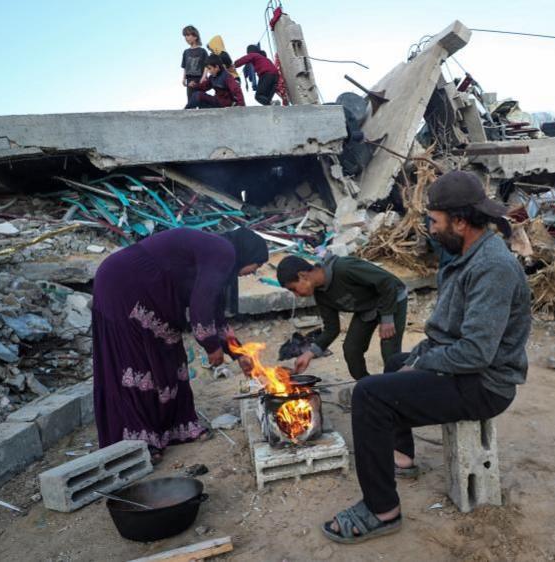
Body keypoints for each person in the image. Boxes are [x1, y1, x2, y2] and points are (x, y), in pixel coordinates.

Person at [320, 170, 531, 544]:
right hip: (467, 372)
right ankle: (402, 455)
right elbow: (445, 332)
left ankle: (381, 510)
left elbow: (476, 353)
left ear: (461, 221)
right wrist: (418, 356)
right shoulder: (465, 253)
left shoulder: (493, 268)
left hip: (486, 385)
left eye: (435, 221)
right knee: (395, 363)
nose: (431, 229)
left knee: (370, 394)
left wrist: (425, 362)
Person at [91, 227, 266, 462]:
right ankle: (138, 443)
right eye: (257, 266)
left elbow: (216, 314)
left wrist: (240, 354)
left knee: (167, 355)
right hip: (123, 284)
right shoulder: (223, 252)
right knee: (135, 361)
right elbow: (200, 308)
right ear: (249, 255)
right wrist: (211, 346)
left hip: (148, 288)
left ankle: (174, 428)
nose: (253, 273)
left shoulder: (220, 253)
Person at [276, 255, 407, 381]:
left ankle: (395, 391)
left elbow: (387, 282)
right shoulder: (321, 294)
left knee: (390, 352)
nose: (296, 295)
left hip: (392, 298)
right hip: (366, 307)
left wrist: (387, 318)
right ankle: (367, 385)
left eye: (294, 289)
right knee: (351, 349)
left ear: (302, 276)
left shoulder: (344, 268)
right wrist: (309, 354)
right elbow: (331, 329)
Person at [181, 26, 209, 109]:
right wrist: (183, 78)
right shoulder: (186, 52)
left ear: (195, 36)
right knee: (191, 103)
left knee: (202, 102)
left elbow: (207, 66)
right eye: (185, 36)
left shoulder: (202, 51)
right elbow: (185, 66)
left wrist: (203, 78)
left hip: (200, 80)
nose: (186, 38)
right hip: (190, 81)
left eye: (188, 35)